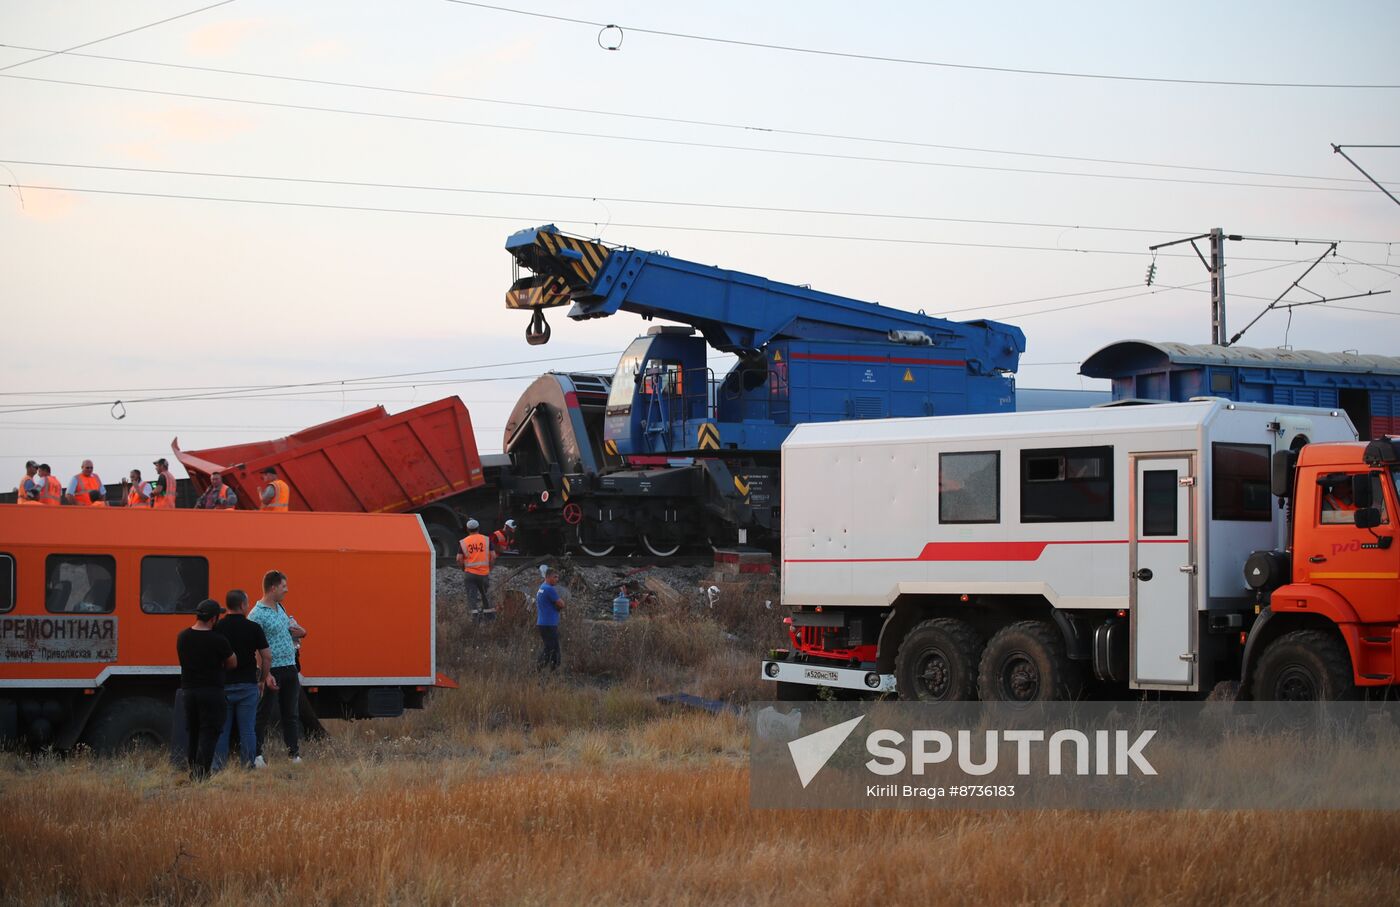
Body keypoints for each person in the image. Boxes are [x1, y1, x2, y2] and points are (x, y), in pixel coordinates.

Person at [249, 569, 305, 765]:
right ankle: (256, 755)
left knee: (291, 713)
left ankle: (294, 754)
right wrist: (265, 673)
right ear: (272, 588)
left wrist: (299, 632)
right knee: (263, 713)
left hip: (289, 666)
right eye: (283, 586)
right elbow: (254, 646)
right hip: (272, 669)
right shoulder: (256, 614)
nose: (286, 590)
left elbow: (286, 632)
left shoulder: (280, 607)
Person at [176, 598, 236, 780]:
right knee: (210, 733)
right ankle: (202, 774)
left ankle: (193, 769)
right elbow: (232, 662)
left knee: (194, 732)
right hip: (211, 691)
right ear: (213, 619)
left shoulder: (183, 636)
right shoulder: (218, 640)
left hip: (189, 691)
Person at [212, 589, 270, 771]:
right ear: (243, 605)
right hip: (247, 685)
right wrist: (262, 679)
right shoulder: (253, 628)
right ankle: (247, 766)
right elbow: (267, 656)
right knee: (247, 730)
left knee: (222, 730)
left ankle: (218, 767)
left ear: (227, 605)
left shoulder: (218, 627)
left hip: (224, 685)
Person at [457, 519, 492, 620]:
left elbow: (459, 559)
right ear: (478, 528)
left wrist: (463, 569)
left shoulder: (464, 542)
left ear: (467, 529)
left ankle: (475, 619)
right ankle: (489, 618)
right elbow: (493, 555)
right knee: (485, 596)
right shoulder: (486, 540)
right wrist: (489, 567)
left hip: (470, 574)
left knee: (472, 598)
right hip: (484, 573)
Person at [535, 566, 564, 672]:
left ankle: (550, 670)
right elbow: (561, 604)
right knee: (551, 649)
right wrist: (559, 607)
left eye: (557, 577)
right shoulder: (549, 589)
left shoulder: (541, 587)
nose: (557, 579)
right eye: (555, 577)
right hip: (549, 624)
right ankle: (540, 669)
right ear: (548, 577)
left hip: (543, 623)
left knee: (551, 648)